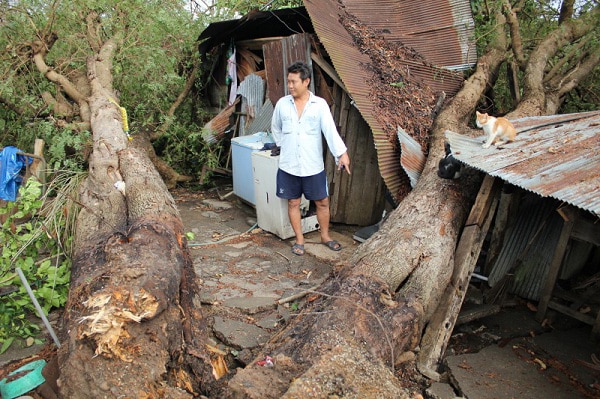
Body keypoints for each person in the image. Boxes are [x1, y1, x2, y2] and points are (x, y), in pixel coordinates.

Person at [271, 61, 351, 256]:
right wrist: (285, 145)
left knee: (322, 202)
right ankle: (299, 240)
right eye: (288, 82)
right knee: (293, 203)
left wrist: (342, 154)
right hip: (289, 165)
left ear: (306, 81)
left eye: (294, 82)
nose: (290, 86)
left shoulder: (319, 105)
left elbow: (330, 131)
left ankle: (325, 236)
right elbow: (276, 128)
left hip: (312, 165)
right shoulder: (282, 104)